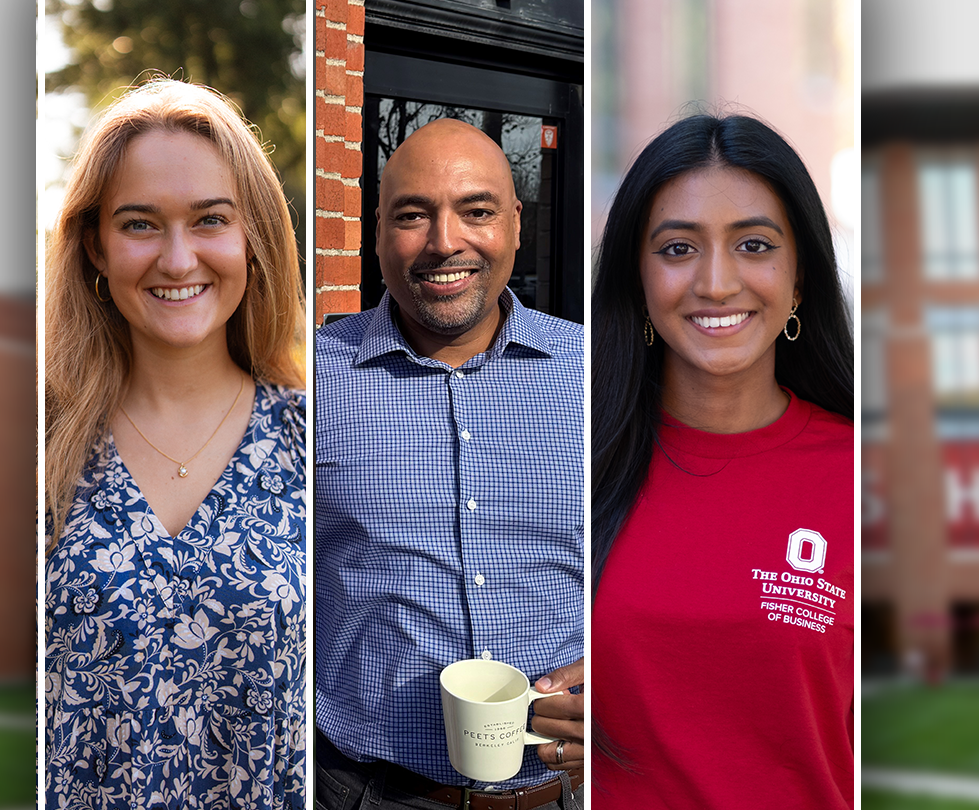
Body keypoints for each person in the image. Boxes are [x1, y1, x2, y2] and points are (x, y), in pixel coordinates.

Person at [43, 79, 306, 810]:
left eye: (210, 219)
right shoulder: (36, 443)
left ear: (251, 235)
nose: (179, 258)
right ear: (95, 245)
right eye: (140, 224)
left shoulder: (317, 441)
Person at [314, 118, 584, 810]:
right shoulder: (308, 380)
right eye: (413, 215)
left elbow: (660, 574)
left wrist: (624, 681)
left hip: (564, 793)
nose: (445, 242)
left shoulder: (597, 374)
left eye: (477, 211)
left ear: (516, 224)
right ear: (377, 233)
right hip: (365, 792)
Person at [590, 113, 855, 809]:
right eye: (678, 249)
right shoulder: (579, 459)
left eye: (754, 245)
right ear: (638, 278)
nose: (715, 282)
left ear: (799, 280)